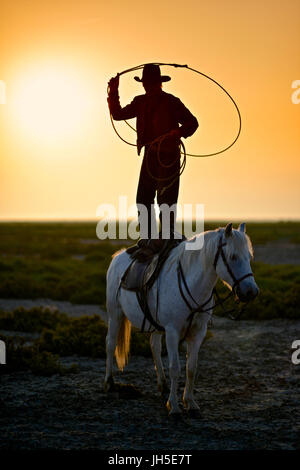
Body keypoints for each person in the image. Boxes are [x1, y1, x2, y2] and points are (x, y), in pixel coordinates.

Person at [107, 64, 198, 253]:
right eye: (146, 83)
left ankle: (165, 241)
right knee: (143, 199)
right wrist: (114, 92)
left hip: (169, 157)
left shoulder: (172, 102)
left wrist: (178, 132)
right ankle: (149, 241)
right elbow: (117, 114)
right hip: (150, 157)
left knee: (166, 200)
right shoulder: (140, 102)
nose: (148, 86)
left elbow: (192, 123)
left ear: (159, 83)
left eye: (151, 83)